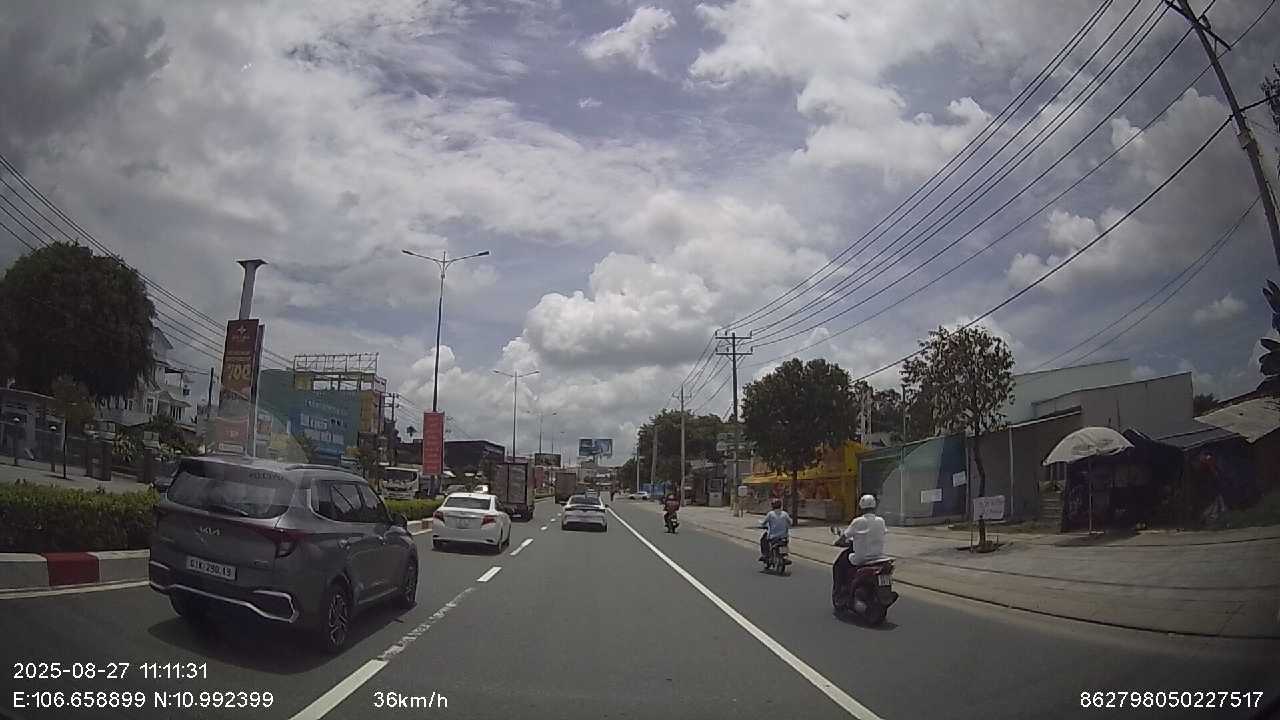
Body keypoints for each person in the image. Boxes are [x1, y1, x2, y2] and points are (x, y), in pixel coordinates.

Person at [833, 494, 888, 597]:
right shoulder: (881, 521)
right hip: (878, 557)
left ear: (861, 507)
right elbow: (880, 533)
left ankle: (839, 593)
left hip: (861, 559)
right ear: (874, 506)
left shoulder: (858, 521)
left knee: (838, 565)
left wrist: (838, 542)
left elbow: (844, 537)